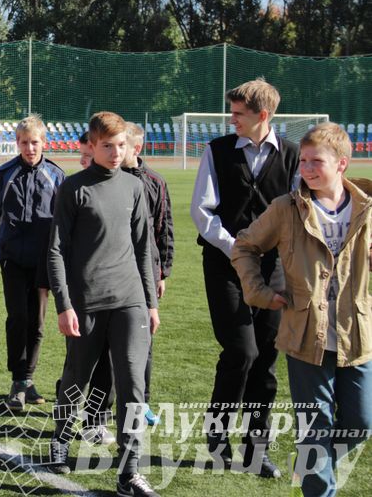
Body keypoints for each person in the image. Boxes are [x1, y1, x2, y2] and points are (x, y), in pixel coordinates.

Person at [231, 123, 372, 497]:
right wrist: (259, 292)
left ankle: (312, 462)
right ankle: (316, 482)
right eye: (304, 161)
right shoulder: (286, 208)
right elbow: (243, 246)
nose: (306, 168)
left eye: (316, 161)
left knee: (361, 423)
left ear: (342, 163)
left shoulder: (367, 208)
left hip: (356, 335)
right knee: (315, 428)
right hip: (305, 335)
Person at [46, 111, 159, 497]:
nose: (115, 152)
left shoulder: (134, 187)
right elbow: (57, 251)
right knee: (76, 380)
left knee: (133, 384)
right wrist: (64, 304)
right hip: (85, 303)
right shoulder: (73, 188)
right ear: (92, 146)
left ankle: (129, 474)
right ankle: (60, 439)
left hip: (130, 301)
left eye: (121, 145)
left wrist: (151, 303)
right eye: (107, 145)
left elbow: (146, 249)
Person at [190, 78, 299, 478]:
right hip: (224, 265)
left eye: (238, 114)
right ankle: (218, 438)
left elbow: (299, 213)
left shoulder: (290, 156)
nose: (231, 120)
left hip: (274, 269)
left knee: (267, 358)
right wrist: (236, 249)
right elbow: (203, 211)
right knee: (242, 352)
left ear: (262, 116)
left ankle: (258, 450)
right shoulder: (216, 150)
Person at [0, 114, 65, 410]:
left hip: (43, 261)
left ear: (44, 143)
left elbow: (67, 221)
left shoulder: (56, 176)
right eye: (24, 143)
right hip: (12, 258)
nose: (30, 148)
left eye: (35, 142)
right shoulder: (5, 175)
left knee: (36, 323)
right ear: (17, 143)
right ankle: (18, 380)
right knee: (18, 319)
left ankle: (28, 378)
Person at [122, 122, 175, 425]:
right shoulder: (111, 179)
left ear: (136, 148)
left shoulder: (156, 182)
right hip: (114, 270)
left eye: (122, 145)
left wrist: (162, 272)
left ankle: (142, 401)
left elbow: (164, 229)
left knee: (144, 340)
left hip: (145, 272)